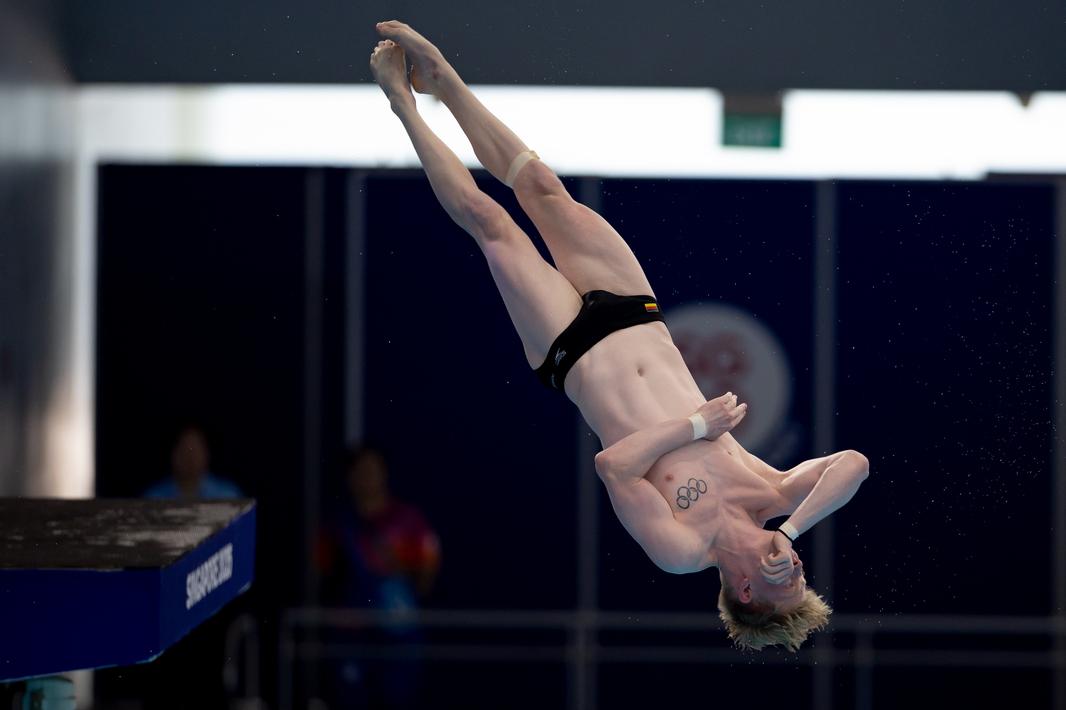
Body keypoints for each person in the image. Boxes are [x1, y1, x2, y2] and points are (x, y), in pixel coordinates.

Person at [368, 21, 870, 652]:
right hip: (635, 313)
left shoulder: (681, 551)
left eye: (786, 585)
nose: (795, 571)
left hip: (570, 349)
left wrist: (696, 429)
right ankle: (444, 80)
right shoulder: (770, 493)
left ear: (747, 593)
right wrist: (793, 531)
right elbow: (855, 464)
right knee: (542, 186)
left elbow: (614, 465)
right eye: (801, 572)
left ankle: (403, 104)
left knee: (491, 222)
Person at [317, 444, 441, 709]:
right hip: (351, 634)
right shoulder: (337, 525)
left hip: (398, 632)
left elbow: (426, 578)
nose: (366, 477)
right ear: (349, 477)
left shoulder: (409, 521)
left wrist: (396, 567)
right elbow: (321, 575)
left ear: (384, 473)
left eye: (372, 470)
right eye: (360, 471)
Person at [144, 423, 243, 499]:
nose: (190, 458)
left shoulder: (228, 496)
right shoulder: (154, 497)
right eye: (184, 451)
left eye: (195, 450)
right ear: (173, 455)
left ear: (207, 453)